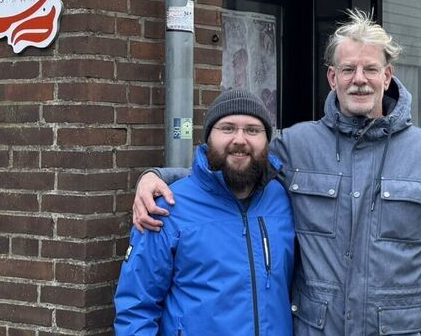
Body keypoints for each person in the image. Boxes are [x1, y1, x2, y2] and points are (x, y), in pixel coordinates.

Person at [135, 10, 421, 336]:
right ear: (333, 78)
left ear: (387, 76)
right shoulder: (296, 145)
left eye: (370, 69)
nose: (359, 80)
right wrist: (157, 177)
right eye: (348, 69)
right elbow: (235, 163)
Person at [115, 89, 295, 336]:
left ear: (267, 141)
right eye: (227, 128)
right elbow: (136, 309)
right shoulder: (167, 207)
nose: (240, 139)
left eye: (252, 130)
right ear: (208, 138)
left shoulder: (283, 198)